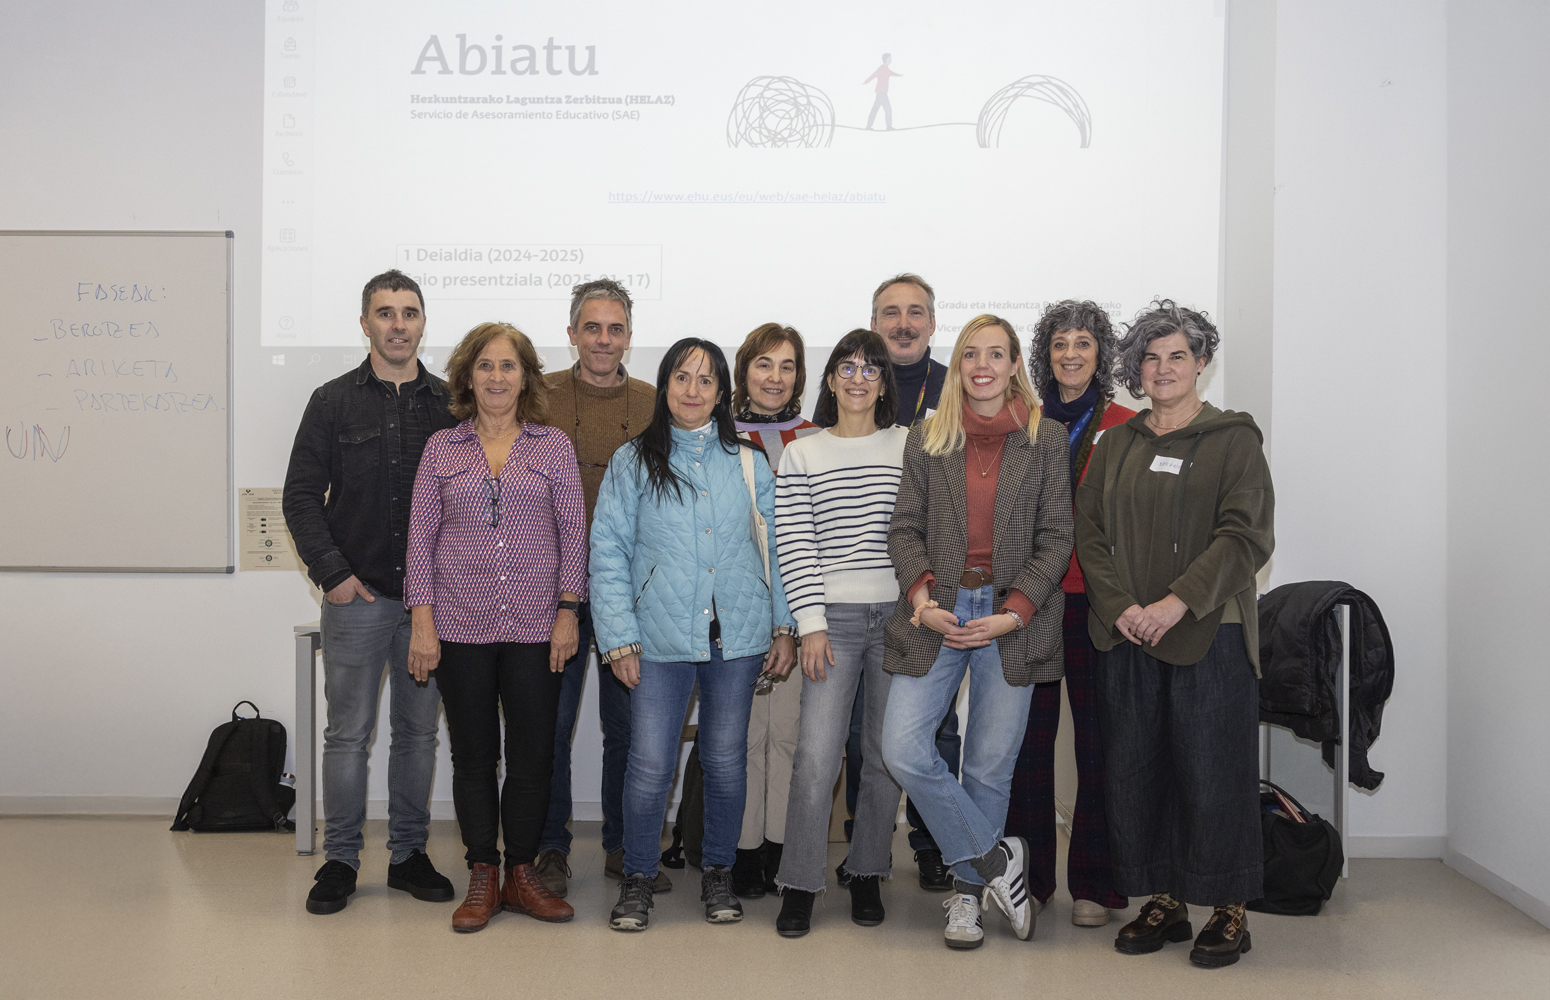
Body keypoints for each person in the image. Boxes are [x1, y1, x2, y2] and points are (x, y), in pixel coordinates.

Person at [1075, 300, 1274, 968]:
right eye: (1150, 358)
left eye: (1177, 356)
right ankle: (1165, 900)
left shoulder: (1234, 440)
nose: (1162, 369)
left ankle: (1229, 909)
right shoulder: (1116, 444)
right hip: (1128, 633)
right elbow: (1089, 533)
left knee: (1212, 771)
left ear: (1202, 363)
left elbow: (1245, 537)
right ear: (1136, 369)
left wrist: (1175, 603)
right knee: (1140, 772)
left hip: (1210, 632)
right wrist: (1122, 607)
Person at [591, 338, 798, 932]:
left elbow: (778, 549)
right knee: (651, 763)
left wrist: (784, 625)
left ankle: (718, 872)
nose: (692, 390)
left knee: (726, 761)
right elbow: (607, 551)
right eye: (682, 377)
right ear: (665, 386)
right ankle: (637, 876)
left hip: (737, 638)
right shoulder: (633, 460)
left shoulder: (748, 462)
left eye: (706, 381)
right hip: (656, 640)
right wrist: (618, 638)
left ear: (722, 393)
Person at [880, 313, 1073, 950]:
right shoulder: (928, 436)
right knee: (902, 747)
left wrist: (1013, 612)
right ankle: (995, 859)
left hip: (1014, 618)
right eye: (971, 354)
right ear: (957, 364)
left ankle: (967, 897)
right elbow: (904, 529)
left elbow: (1057, 538)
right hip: (937, 609)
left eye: (995, 354)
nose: (982, 366)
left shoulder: (1046, 437)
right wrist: (921, 601)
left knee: (989, 767)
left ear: (1015, 364)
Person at [282, 269, 458, 916]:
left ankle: (409, 854)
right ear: (365, 324)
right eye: (385, 313)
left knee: (417, 735)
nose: (398, 324)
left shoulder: (450, 405)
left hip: (428, 606)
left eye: (409, 312)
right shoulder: (331, 401)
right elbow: (300, 496)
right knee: (346, 736)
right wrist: (332, 574)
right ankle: (341, 861)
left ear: (422, 323)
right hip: (356, 599)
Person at [404, 322, 587, 932]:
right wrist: (422, 623)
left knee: (533, 755)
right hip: (460, 626)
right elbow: (420, 541)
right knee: (474, 757)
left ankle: (522, 873)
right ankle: (483, 871)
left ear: (527, 378)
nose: (497, 377)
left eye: (509, 366)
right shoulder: (442, 449)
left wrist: (569, 611)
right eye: (485, 365)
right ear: (467, 376)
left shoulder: (552, 447)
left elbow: (573, 535)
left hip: (537, 627)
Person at [771, 330, 908, 937]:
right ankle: (799, 882)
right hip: (833, 624)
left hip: (899, 618)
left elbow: (923, 531)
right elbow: (795, 546)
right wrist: (811, 625)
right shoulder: (802, 453)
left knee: (883, 756)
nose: (858, 379)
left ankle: (867, 870)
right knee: (816, 758)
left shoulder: (909, 445)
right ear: (829, 380)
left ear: (884, 383)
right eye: (846, 368)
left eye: (870, 369)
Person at [1004, 301, 1134, 927]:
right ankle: (1029, 881)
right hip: (1031, 600)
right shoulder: (1021, 421)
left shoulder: (1125, 425)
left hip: (1093, 601)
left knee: (1097, 744)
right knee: (1025, 745)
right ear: (1045, 355)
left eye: (1083, 342)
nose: (1071, 354)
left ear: (1100, 353)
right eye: (1060, 343)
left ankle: (1094, 884)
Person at [534, 280, 665, 900]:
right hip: (550, 593)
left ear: (629, 338)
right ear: (572, 334)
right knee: (551, 727)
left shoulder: (655, 404)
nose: (603, 340)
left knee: (629, 729)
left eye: (615, 329)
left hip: (630, 595)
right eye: (592, 327)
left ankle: (624, 846)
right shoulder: (538, 397)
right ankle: (550, 848)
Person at [861, 272, 958, 891]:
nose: (903, 324)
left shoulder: (956, 387)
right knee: (862, 729)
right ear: (874, 323)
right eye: (891, 313)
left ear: (932, 322)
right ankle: (863, 846)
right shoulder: (853, 383)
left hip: (934, 583)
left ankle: (934, 842)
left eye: (915, 312)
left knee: (936, 727)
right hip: (867, 579)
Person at [729, 322, 821, 897]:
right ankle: (743, 851)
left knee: (786, 737)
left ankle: (780, 847)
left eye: (787, 366)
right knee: (742, 739)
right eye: (764, 364)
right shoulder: (714, 435)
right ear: (744, 371)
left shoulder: (817, 439)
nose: (775, 377)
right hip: (736, 613)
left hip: (801, 611)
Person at [863, 53, 901, 130]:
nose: (890, 60)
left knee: (875, 109)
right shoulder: (882, 68)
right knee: (888, 109)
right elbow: (873, 75)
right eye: (889, 59)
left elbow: (892, 73)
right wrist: (865, 82)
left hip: (880, 93)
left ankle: (869, 126)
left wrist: (899, 75)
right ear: (885, 59)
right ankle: (888, 126)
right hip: (882, 93)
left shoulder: (886, 69)